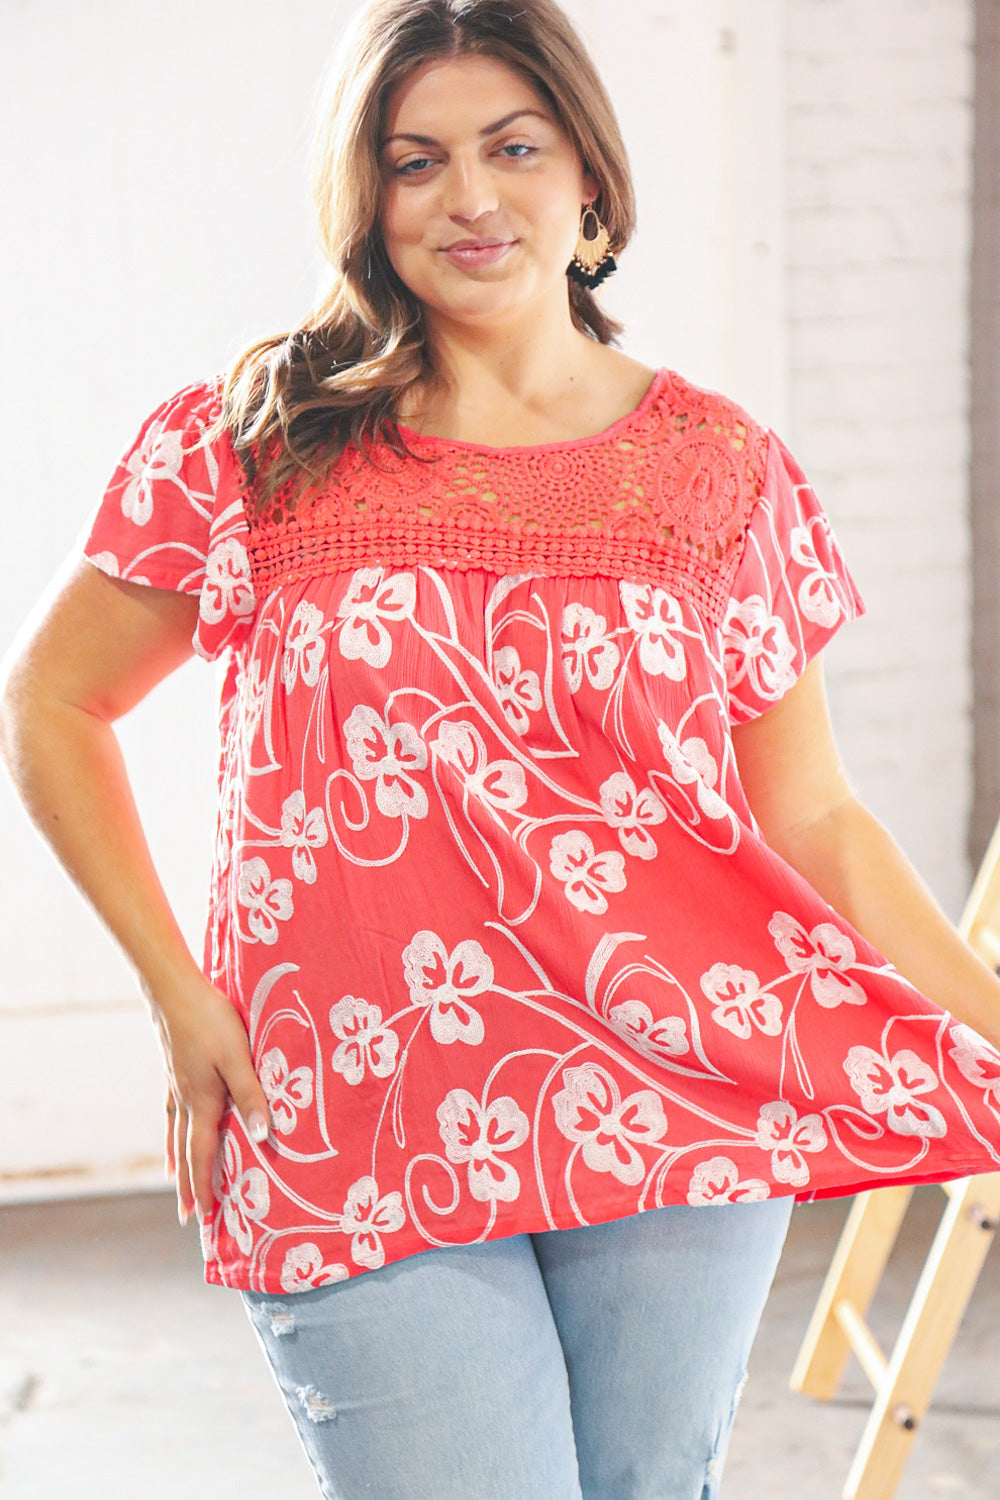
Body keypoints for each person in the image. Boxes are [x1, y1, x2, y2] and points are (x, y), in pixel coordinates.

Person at [3, 1, 1000, 1496]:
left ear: (588, 174)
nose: (468, 196)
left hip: (680, 1089)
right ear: (368, 196)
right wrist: (177, 993)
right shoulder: (257, 437)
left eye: (512, 148)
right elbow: (51, 701)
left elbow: (815, 819)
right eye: (416, 161)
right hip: (351, 1095)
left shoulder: (721, 469)